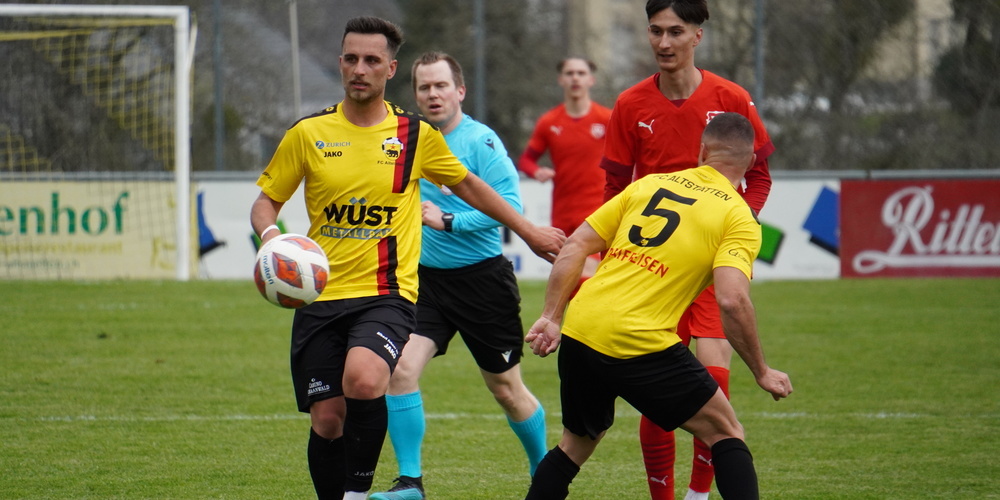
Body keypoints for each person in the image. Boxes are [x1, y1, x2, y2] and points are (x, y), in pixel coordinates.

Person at [249, 17, 564, 500]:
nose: (360, 69)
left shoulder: (415, 136)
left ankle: (362, 493)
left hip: (388, 292)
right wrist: (273, 239)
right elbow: (266, 202)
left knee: (367, 377)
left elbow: (471, 187)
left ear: (389, 69)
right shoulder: (308, 133)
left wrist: (529, 232)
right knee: (328, 419)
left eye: (371, 60)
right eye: (351, 59)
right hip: (322, 295)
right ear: (340, 63)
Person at [523, 112, 792, 500]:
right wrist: (761, 371)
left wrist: (551, 317)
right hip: (639, 340)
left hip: (582, 326)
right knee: (726, 432)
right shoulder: (738, 217)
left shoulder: (649, 185)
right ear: (751, 162)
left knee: (575, 445)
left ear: (702, 151)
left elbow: (575, 245)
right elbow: (732, 299)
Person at [600, 2, 777, 498]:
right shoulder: (630, 104)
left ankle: (699, 495)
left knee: (713, 384)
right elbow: (615, 189)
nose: (664, 42)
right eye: (655, 31)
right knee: (656, 393)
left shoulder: (731, 97)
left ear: (698, 35)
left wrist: (735, 228)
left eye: (676, 31)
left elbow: (760, 177)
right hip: (654, 268)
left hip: (712, 264)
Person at [369, 51, 548, 500]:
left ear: (460, 91)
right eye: (424, 87)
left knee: (506, 389)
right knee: (400, 369)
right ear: (415, 94)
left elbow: (511, 207)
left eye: (441, 86)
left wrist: (449, 221)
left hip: (482, 283)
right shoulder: (406, 140)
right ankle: (410, 483)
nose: (433, 94)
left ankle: (546, 475)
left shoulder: (481, 142)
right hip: (426, 283)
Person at [519, 57, 612, 288]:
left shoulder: (606, 119)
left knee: (589, 275)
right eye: (570, 73)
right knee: (567, 282)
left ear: (591, 80)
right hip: (562, 214)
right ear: (561, 79)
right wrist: (536, 171)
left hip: (597, 212)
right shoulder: (549, 122)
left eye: (581, 73)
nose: (575, 78)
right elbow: (526, 160)